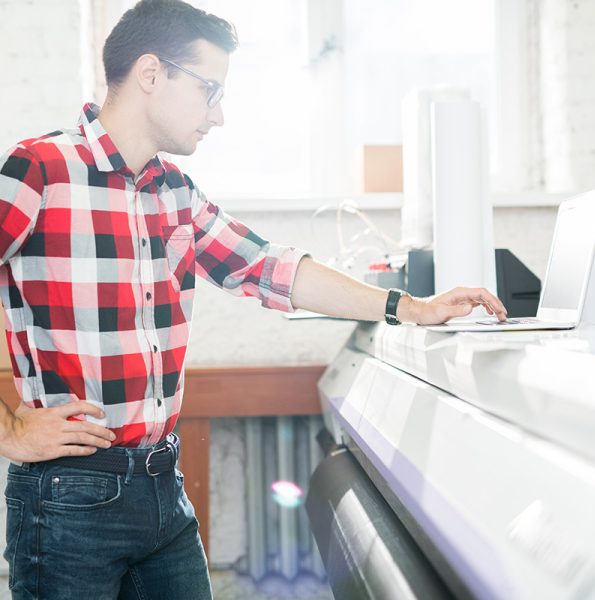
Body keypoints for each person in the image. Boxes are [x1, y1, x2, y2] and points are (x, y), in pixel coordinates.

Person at [0, 0, 507, 598]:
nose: (219, 116)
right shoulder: (40, 169)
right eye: (210, 90)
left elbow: (274, 269)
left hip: (164, 487)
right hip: (70, 499)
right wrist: (9, 429)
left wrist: (411, 306)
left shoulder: (176, 192)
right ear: (151, 73)